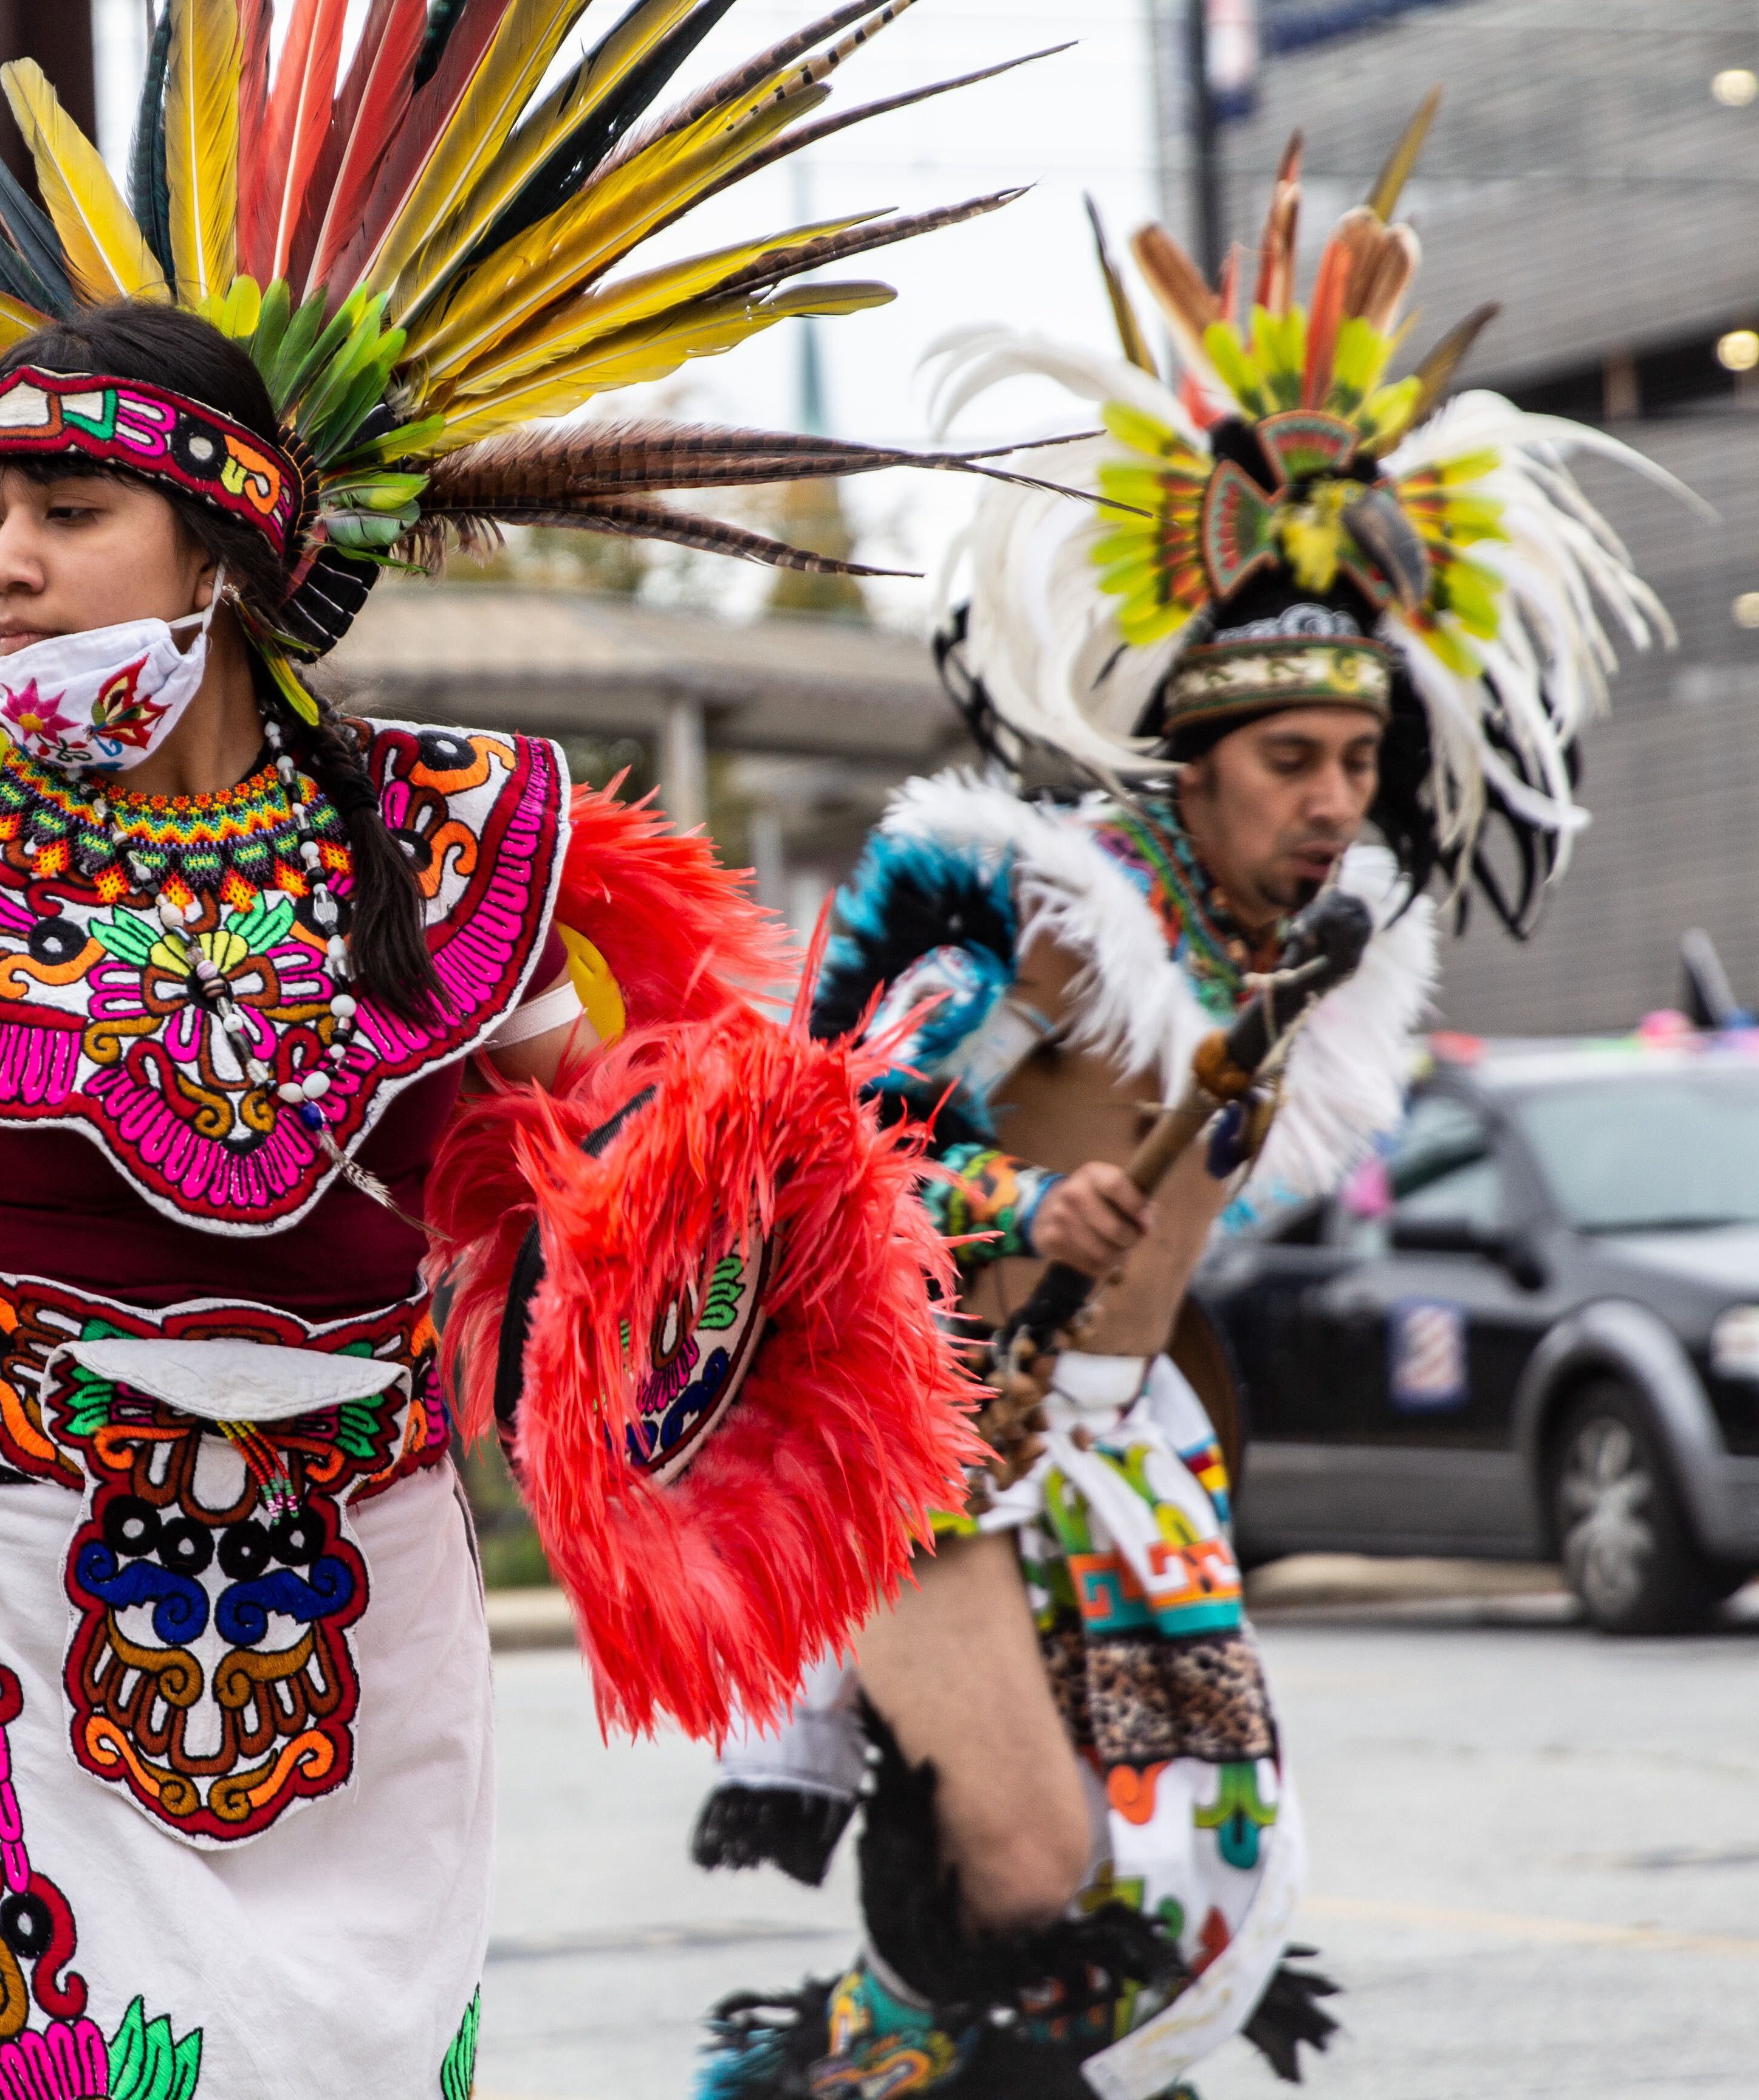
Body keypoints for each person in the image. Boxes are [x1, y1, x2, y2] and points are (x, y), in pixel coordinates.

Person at [0, 7, 1080, 2091]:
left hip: (374, 1605)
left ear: (228, 544)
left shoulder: (462, 853)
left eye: (64, 511)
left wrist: (765, 1271)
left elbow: (611, 1201)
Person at [693, 107, 1686, 2100]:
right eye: (1294, 761)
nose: (1334, 801)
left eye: (1359, 758)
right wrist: (1003, 1217)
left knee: (1198, 1900)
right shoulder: (1044, 918)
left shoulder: (1312, 970)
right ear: (1198, 761)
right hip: (917, 1429)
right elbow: (805, 1153)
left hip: (1124, 1443)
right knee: (1035, 1859)